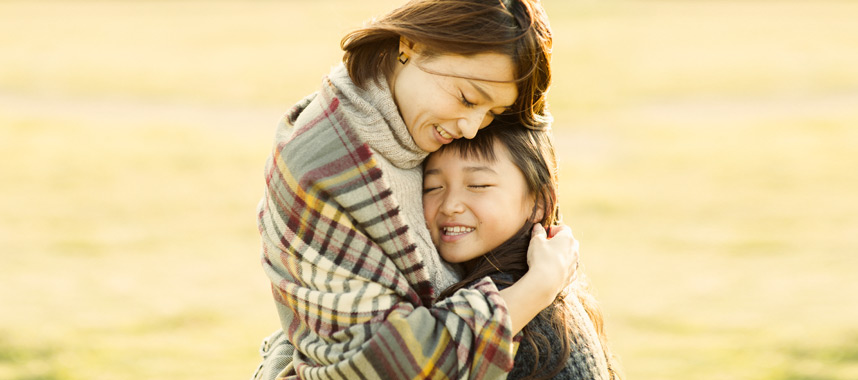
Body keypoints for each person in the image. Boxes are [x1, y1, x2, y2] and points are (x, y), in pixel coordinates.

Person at [253, 0, 581, 379]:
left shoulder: (411, 124)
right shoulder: (327, 164)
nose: (473, 127)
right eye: (468, 99)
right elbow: (386, 364)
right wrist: (540, 285)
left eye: (492, 113)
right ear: (410, 45)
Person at [424, 121, 623, 379]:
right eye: (432, 187)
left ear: (539, 202)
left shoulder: (514, 304)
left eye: (477, 185)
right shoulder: (539, 287)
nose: (449, 205)